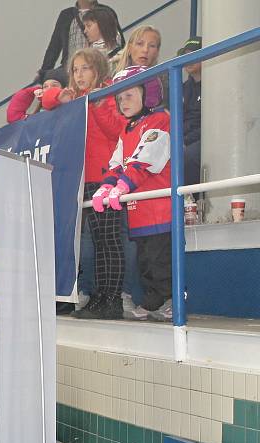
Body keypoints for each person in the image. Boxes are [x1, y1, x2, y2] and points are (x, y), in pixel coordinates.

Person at [43, 48, 127, 320]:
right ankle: (101, 297)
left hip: (106, 175)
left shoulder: (108, 93)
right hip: (84, 177)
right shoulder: (75, 98)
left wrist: (97, 104)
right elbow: (45, 100)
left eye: (85, 69)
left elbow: (118, 129)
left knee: (108, 239)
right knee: (98, 240)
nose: (79, 75)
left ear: (98, 69)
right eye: (75, 70)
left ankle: (111, 298)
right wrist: (61, 96)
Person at [95, 66, 172, 322]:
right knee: (145, 261)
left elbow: (144, 161)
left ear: (147, 92)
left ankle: (164, 302)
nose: (123, 102)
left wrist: (123, 186)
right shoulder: (127, 129)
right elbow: (118, 163)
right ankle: (154, 302)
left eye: (129, 95)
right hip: (138, 210)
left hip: (159, 207)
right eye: (119, 98)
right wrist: (106, 186)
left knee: (160, 259)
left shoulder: (160, 120)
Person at [38, 0, 122, 79]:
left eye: (89, 26)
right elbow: (54, 47)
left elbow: (119, 41)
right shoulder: (66, 15)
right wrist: (44, 73)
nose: (86, 31)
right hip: (72, 73)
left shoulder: (105, 11)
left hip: (100, 66)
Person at [179, 37, 202, 188]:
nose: (189, 59)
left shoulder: (217, 83)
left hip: (203, 139)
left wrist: (185, 141)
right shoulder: (182, 87)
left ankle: (191, 205)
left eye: (194, 54)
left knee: (189, 156)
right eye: (185, 55)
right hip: (185, 140)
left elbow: (211, 123)